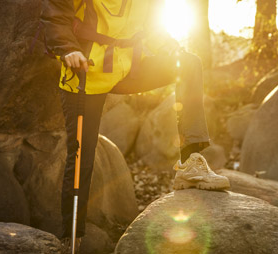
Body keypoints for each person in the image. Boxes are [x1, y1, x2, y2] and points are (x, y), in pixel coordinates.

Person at [41, 0, 230, 253]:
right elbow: (56, 15)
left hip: (128, 67)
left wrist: (169, 47)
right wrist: (67, 48)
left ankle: (190, 162)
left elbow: (153, 27)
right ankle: (72, 237)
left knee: (188, 63)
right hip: (86, 70)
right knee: (81, 157)